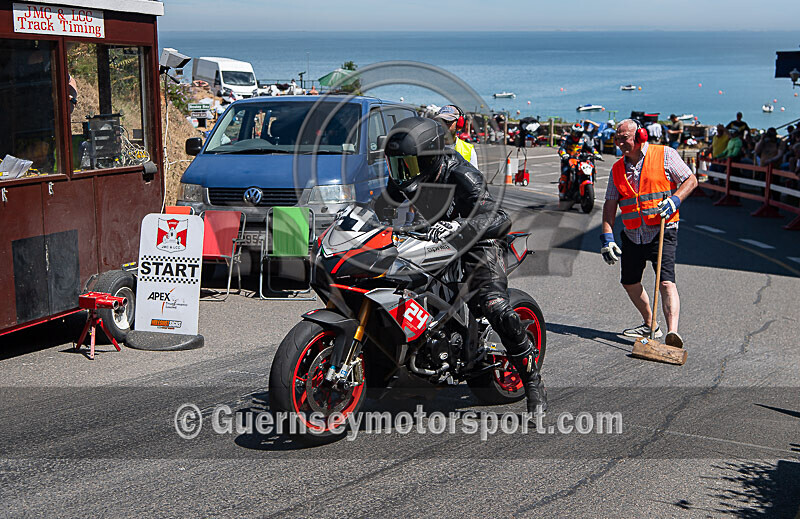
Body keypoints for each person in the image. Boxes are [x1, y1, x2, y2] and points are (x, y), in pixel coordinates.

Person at [375, 117, 547, 414]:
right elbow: (380, 209)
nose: (401, 172)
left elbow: (499, 218)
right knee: (390, 283)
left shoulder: (462, 175)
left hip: (478, 242)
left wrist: (459, 226)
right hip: (432, 241)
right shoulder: (406, 173)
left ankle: (533, 381)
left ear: (430, 158)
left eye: (407, 164)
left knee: (494, 306)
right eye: (396, 164)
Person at [600, 119, 698, 347]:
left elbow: (690, 180)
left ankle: (673, 334)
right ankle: (650, 323)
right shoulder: (617, 169)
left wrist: (675, 200)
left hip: (662, 230)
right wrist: (607, 237)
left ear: (640, 136)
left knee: (665, 283)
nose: (620, 142)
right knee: (629, 282)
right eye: (617, 138)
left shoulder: (665, 155)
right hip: (633, 233)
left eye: (625, 137)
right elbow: (610, 204)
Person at [558, 122, 601, 200]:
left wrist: (596, 153)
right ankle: (563, 192)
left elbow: (590, 148)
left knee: (591, 167)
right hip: (568, 160)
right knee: (565, 173)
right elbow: (562, 148)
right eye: (575, 132)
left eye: (579, 133)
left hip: (580, 159)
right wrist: (564, 154)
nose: (577, 135)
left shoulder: (582, 140)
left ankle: (590, 187)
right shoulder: (566, 139)